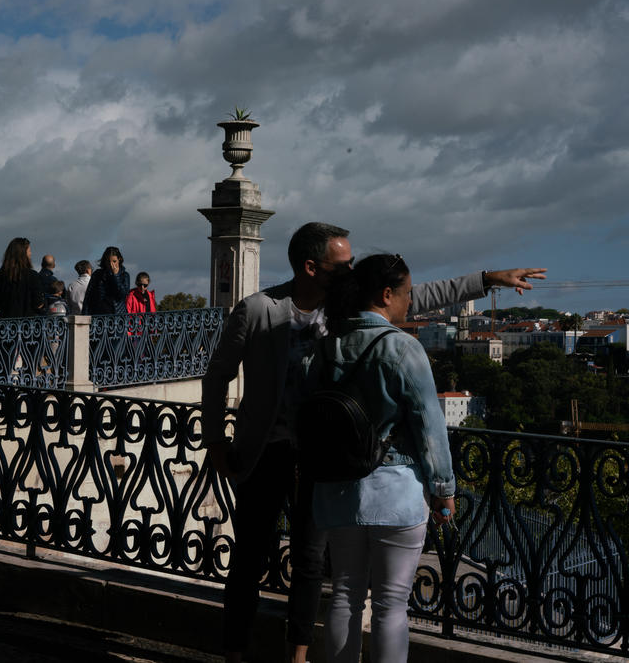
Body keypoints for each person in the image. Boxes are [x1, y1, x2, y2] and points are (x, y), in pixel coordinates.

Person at [201, 221, 547, 663]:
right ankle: (234, 655)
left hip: (322, 458)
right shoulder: (258, 310)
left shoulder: (342, 308)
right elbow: (217, 376)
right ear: (311, 267)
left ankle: (298, 658)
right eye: (341, 265)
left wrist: (486, 280)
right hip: (263, 452)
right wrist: (216, 441)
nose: (351, 272)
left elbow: (410, 297)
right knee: (248, 562)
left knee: (311, 565)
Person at [304, 253, 455, 663]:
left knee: (345, 597)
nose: (410, 303)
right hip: (395, 491)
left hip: (336, 489)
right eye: (406, 294)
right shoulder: (403, 348)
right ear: (387, 295)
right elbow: (429, 425)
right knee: (391, 606)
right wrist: (444, 490)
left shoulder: (327, 345)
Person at [0, 237, 44, 318]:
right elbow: (38, 303)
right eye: (29, 251)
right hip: (27, 325)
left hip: (4, 325)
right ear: (23, 254)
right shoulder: (32, 275)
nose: (31, 254)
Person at [83, 246, 129, 315]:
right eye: (108, 261)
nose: (111, 265)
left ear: (119, 259)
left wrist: (115, 276)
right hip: (100, 316)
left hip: (118, 317)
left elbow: (122, 295)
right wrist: (84, 316)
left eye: (114, 261)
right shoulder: (97, 274)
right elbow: (88, 297)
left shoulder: (124, 275)